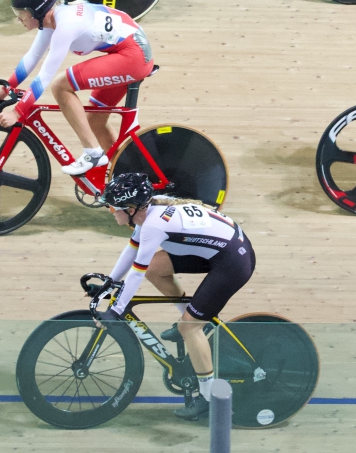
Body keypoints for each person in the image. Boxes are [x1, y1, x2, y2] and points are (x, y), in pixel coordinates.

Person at [94, 173, 255, 422]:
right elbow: (132, 250)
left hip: (232, 261)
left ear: (130, 207)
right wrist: (109, 283)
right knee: (156, 268)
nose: (109, 210)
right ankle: (189, 318)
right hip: (222, 248)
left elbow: (135, 273)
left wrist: (115, 311)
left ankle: (208, 398)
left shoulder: (153, 225)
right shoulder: (148, 211)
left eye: (113, 206)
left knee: (189, 327)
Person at [0, 0, 155, 176]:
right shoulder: (51, 19)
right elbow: (31, 58)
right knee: (94, 121)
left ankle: (92, 153)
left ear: (38, 11)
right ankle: (127, 175)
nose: (18, 19)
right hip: (130, 51)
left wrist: (17, 112)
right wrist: (6, 88)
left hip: (133, 56)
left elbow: (45, 76)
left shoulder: (66, 25)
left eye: (21, 13)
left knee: (60, 86)